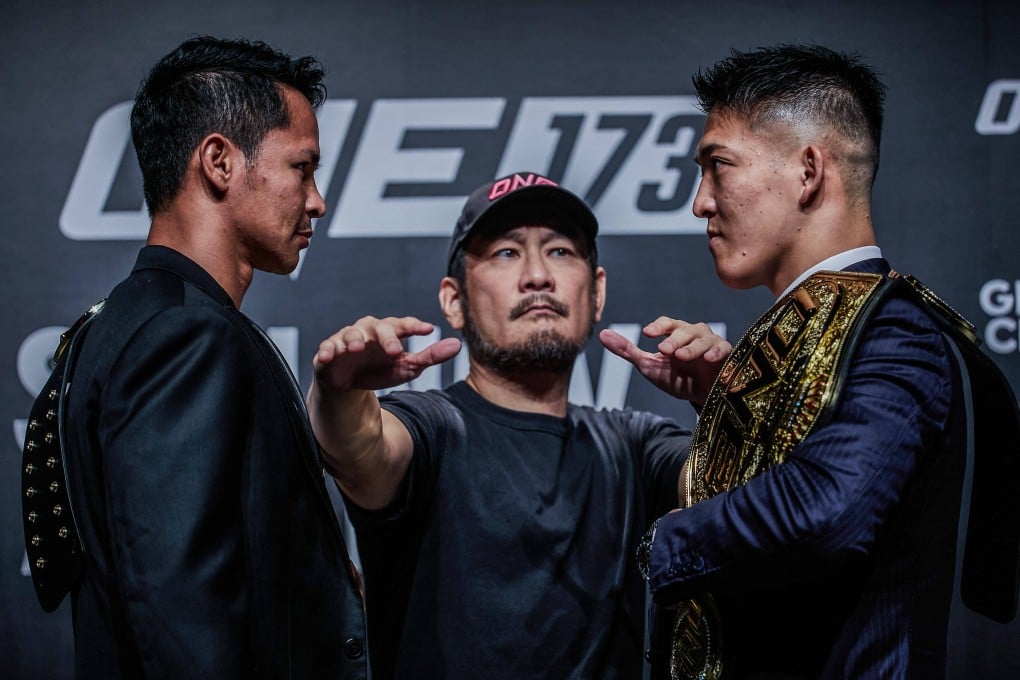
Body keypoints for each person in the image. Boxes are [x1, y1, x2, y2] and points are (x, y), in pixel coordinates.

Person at [638, 43, 1020, 679]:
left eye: (719, 166)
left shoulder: (895, 331)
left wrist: (666, 542)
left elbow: (823, 511)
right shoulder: (828, 324)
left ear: (809, 171)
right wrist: (730, 412)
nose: (700, 202)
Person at [307, 171, 732, 679]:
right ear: (453, 300)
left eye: (560, 252)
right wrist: (340, 390)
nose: (537, 276)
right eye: (506, 253)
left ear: (596, 293)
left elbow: (762, 497)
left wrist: (726, 403)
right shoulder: (432, 429)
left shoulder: (635, 446)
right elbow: (360, 449)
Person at [51, 36, 368, 678]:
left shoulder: (130, 320)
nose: (317, 201)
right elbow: (182, 610)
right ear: (219, 162)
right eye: (301, 168)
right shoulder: (184, 336)